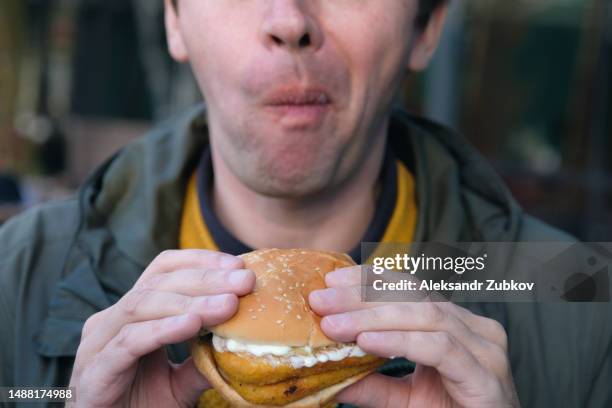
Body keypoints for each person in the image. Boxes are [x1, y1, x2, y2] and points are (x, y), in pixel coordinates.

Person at [0, 0, 609, 407]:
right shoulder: (14, 274)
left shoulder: (581, 303)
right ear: (174, 20)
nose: (290, 20)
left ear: (426, 27)